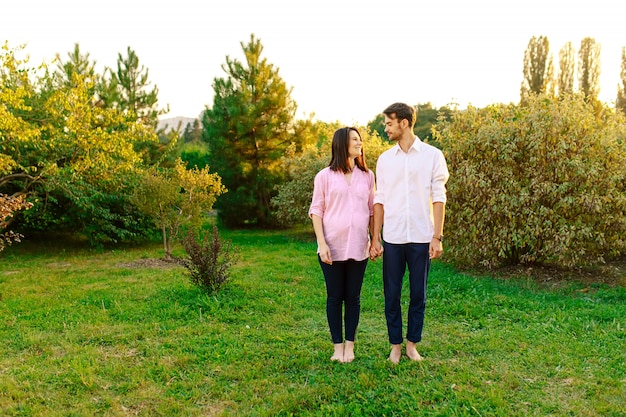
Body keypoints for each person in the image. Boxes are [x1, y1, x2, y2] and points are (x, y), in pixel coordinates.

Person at [370, 102, 449, 364]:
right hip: (392, 237)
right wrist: (376, 237)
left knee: (419, 294)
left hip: (421, 237)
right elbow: (379, 200)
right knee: (391, 294)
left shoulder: (433, 156)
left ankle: (412, 344)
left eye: (389, 123)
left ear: (404, 123)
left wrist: (436, 236)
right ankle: (395, 344)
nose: (386, 128)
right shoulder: (384, 160)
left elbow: (439, 197)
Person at [309, 126, 375, 363]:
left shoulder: (368, 176)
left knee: (353, 298)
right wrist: (322, 243)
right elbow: (316, 210)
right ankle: (337, 347)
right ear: (341, 144)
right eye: (354, 140)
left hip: (359, 247)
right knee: (335, 297)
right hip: (332, 247)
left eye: (360, 140)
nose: (360, 143)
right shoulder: (324, 176)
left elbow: (371, 211)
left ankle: (350, 346)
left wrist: (375, 239)